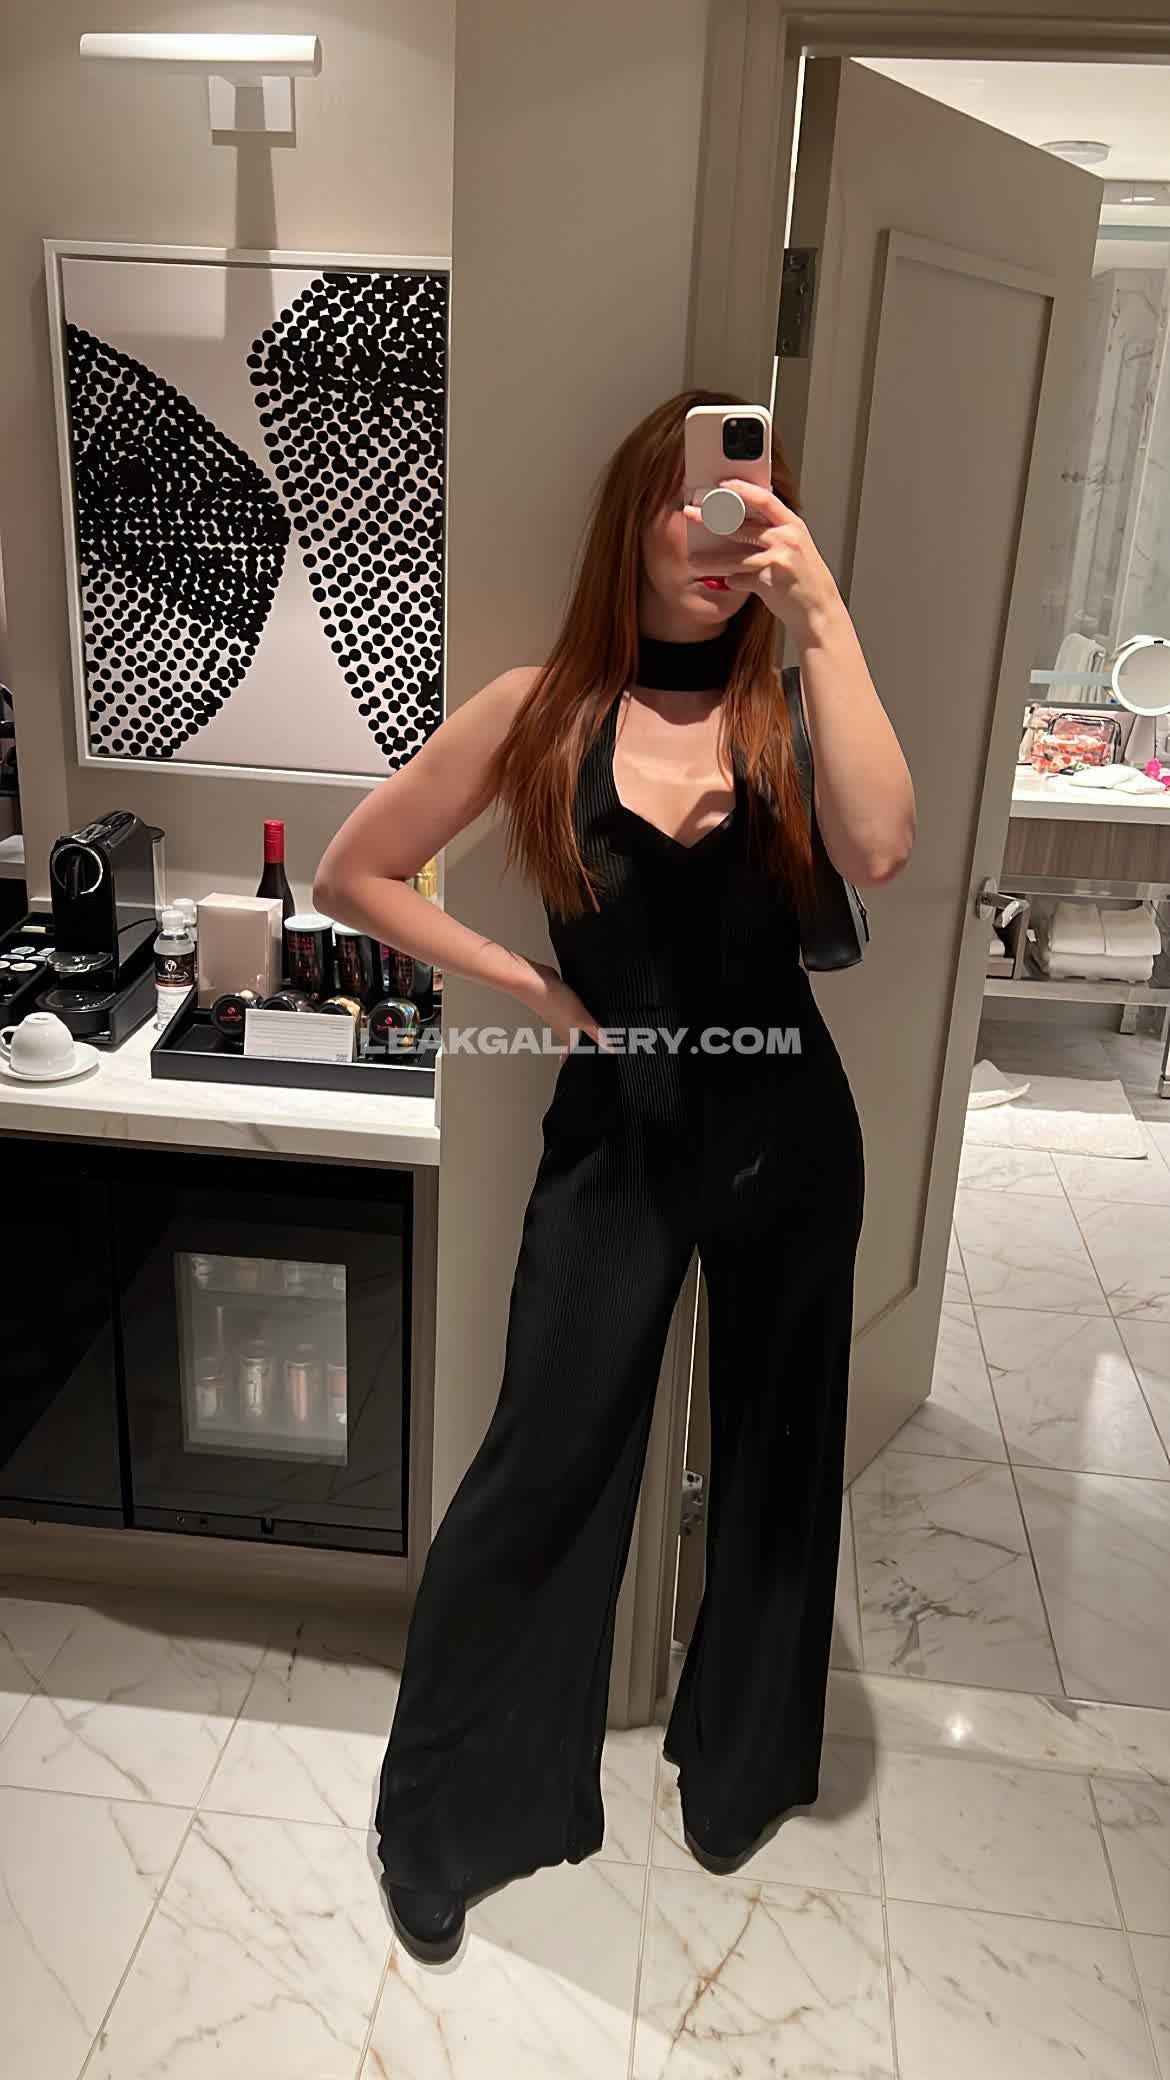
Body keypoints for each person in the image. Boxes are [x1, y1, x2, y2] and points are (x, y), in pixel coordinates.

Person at [314, 387, 915, 1965]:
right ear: (634, 518)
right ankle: (447, 1821)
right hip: (614, 1142)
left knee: (777, 1454)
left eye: (749, 505)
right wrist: (525, 984)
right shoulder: (541, 709)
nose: (719, 531)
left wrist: (822, 611)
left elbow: (880, 849)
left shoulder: (790, 707)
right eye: (691, 501)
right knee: (544, 1460)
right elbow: (354, 871)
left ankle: (738, 1770)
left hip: (790, 1134)